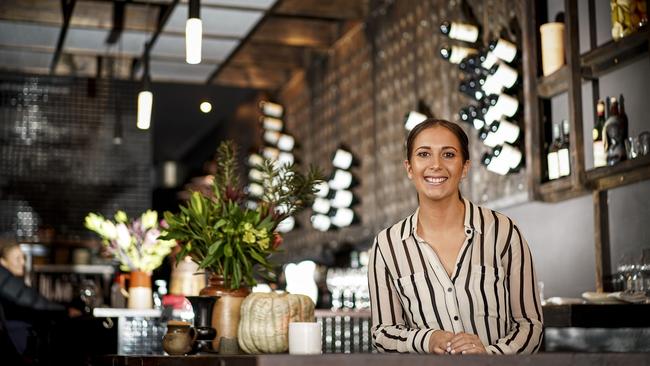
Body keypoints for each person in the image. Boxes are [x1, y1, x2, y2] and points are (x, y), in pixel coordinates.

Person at [368, 119, 543, 355]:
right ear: (410, 168)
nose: (436, 165)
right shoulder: (387, 246)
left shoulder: (503, 231)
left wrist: (491, 356)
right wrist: (427, 339)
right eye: (424, 154)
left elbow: (530, 325)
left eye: (448, 154)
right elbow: (383, 333)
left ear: (465, 167)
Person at [0, 241, 77, 360]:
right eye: (17, 258)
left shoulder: (11, 281)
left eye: (23, 257)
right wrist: (65, 311)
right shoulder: (3, 277)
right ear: (3, 262)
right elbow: (32, 301)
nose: (23, 262)